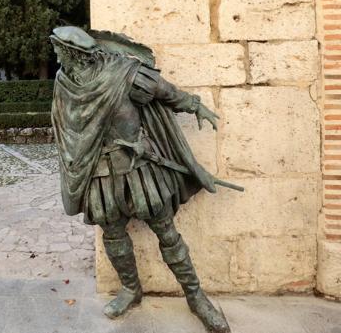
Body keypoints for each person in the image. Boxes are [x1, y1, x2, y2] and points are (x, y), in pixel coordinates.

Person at [49, 26, 235, 333]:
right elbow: (64, 124)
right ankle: (130, 290)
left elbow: (165, 91)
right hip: (97, 170)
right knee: (113, 235)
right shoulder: (64, 82)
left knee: (167, 233)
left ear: (74, 54)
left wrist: (195, 104)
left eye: (59, 51)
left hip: (138, 167)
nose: (57, 57)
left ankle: (196, 296)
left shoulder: (123, 72)